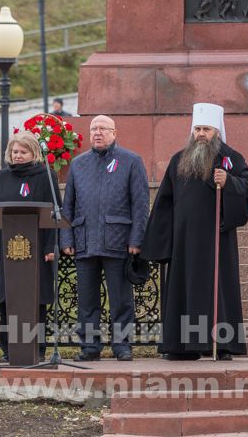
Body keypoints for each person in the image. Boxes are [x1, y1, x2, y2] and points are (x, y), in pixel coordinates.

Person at [141, 103, 248, 360]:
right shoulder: (179, 159)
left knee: (218, 291)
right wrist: (160, 242)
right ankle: (182, 347)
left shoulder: (231, 159)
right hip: (184, 242)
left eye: (206, 129)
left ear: (217, 131)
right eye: (197, 129)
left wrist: (229, 182)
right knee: (183, 290)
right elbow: (164, 202)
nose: (201, 134)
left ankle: (221, 346)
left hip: (217, 239)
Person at [60, 115, 150, 362]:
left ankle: (122, 345)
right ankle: (90, 347)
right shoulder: (78, 164)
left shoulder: (131, 161)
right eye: (93, 129)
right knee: (87, 300)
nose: (97, 133)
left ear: (114, 133)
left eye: (103, 128)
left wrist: (136, 239)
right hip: (84, 240)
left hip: (118, 241)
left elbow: (140, 204)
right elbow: (68, 205)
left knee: (121, 299)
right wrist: (66, 238)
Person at [0, 131, 60, 363]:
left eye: (23, 152)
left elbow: (54, 212)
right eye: (15, 151)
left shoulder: (46, 176)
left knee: (35, 299)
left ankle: (38, 348)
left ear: (34, 152)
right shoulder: (0, 177)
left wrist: (51, 246)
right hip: (5, 251)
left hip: (37, 252)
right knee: (8, 300)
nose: (18, 155)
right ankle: (9, 349)